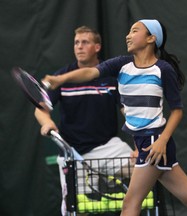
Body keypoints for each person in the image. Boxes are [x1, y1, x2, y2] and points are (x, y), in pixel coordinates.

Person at [42, 20, 187, 216]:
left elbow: (177, 111)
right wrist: (61, 80)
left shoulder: (163, 70)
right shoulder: (122, 64)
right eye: (129, 31)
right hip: (148, 143)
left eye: (135, 30)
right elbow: (91, 72)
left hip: (154, 143)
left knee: (130, 204)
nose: (128, 35)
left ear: (151, 38)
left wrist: (162, 140)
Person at [34, 26, 136, 216]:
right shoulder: (61, 78)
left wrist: (140, 144)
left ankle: (117, 186)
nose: (79, 47)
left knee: (143, 172)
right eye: (76, 43)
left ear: (97, 47)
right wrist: (46, 122)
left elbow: (128, 113)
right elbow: (41, 109)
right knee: (76, 210)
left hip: (107, 147)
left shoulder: (111, 76)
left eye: (85, 42)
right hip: (72, 154)